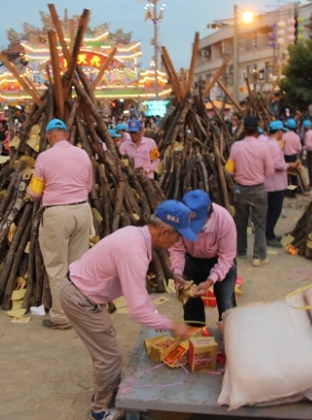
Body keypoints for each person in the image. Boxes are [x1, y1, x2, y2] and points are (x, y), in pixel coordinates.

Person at [62, 200, 193, 420]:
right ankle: (100, 410)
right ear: (164, 232)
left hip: (82, 293)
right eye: (177, 237)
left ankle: (108, 390)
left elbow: (137, 294)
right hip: (80, 299)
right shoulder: (135, 252)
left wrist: (157, 315)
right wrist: (172, 325)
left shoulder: (136, 235)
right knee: (110, 356)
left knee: (106, 346)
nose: (176, 242)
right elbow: (137, 310)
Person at [28, 119, 93, 330]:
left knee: (57, 267)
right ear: (67, 135)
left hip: (57, 214)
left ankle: (61, 317)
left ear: (48, 137)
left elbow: (36, 193)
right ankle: (80, 313)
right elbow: (88, 186)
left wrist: (30, 191)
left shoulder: (44, 157)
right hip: (82, 211)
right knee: (77, 266)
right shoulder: (82, 155)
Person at [170, 190, 237, 325]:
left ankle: (229, 339)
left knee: (227, 307)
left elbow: (226, 257)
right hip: (191, 261)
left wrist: (210, 281)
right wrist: (177, 273)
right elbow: (177, 249)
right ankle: (196, 339)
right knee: (190, 306)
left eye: (198, 224)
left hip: (219, 260)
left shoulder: (224, 220)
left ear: (210, 214)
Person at [226, 115, 274, 267]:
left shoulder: (236, 147)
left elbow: (229, 170)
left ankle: (241, 250)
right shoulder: (264, 147)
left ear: (244, 129)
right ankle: (258, 256)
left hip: (241, 189)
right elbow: (270, 170)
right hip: (259, 188)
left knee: (241, 221)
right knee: (259, 223)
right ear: (257, 131)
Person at [261, 121, 297, 248]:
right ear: (279, 131)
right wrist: (289, 165)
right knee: (274, 210)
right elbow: (276, 164)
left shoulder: (266, 142)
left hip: (270, 182)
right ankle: (268, 235)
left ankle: (267, 233)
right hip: (275, 183)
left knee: (270, 209)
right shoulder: (273, 145)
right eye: (282, 131)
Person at [283, 119, 302, 190]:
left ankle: (286, 189)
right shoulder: (297, 136)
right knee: (293, 174)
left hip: (285, 157)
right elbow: (299, 148)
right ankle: (293, 190)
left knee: (285, 174)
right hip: (294, 157)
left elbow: (281, 147)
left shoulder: (284, 136)